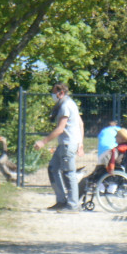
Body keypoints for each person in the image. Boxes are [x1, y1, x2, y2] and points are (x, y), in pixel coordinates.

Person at [34, 83, 84, 213]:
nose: (52, 95)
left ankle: (73, 205)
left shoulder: (66, 106)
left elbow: (60, 129)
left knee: (69, 174)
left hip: (68, 144)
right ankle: (61, 201)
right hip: (65, 144)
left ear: (60, 93)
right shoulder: (70, 104)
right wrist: (80, 142)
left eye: (53, 92)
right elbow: (81, 123)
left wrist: (43, 142)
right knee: (53, 169)